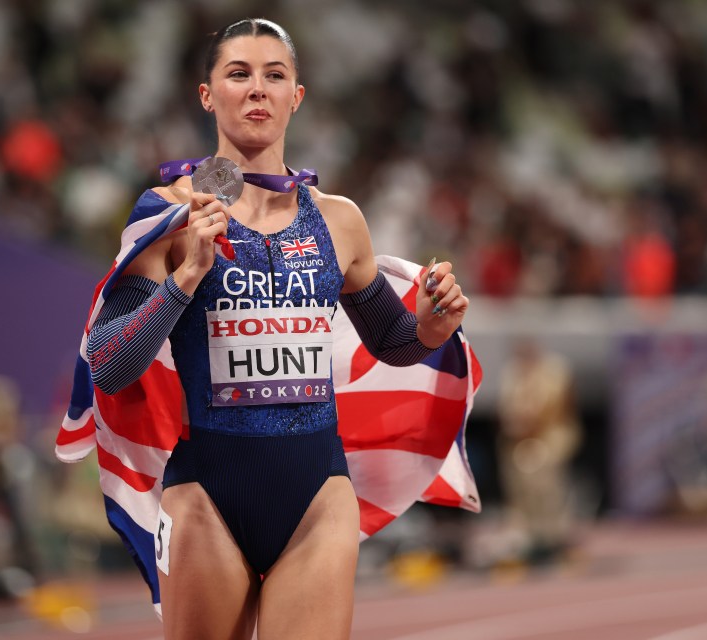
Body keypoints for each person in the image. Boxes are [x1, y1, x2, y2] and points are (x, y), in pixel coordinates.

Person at [74, 19, 470, 639]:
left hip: (316, 495)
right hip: (205, 491)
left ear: (297, 96)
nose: (257, 89)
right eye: (238, 74)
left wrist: (429, 328)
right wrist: (186, 277)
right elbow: (109, 365)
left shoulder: (340, 222)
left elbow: (393, 343)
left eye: (274, 75)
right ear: (207, 94)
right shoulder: (169, 212)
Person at [496, 340, 581, 564]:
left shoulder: (554, 370)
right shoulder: (513, 373)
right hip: (521, 440)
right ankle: (530, 535)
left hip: (550, 435)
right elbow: (507, 407)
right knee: (521, 486)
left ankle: (554, 536)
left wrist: (530, 421)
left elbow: (558, 405)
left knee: (546, 485)